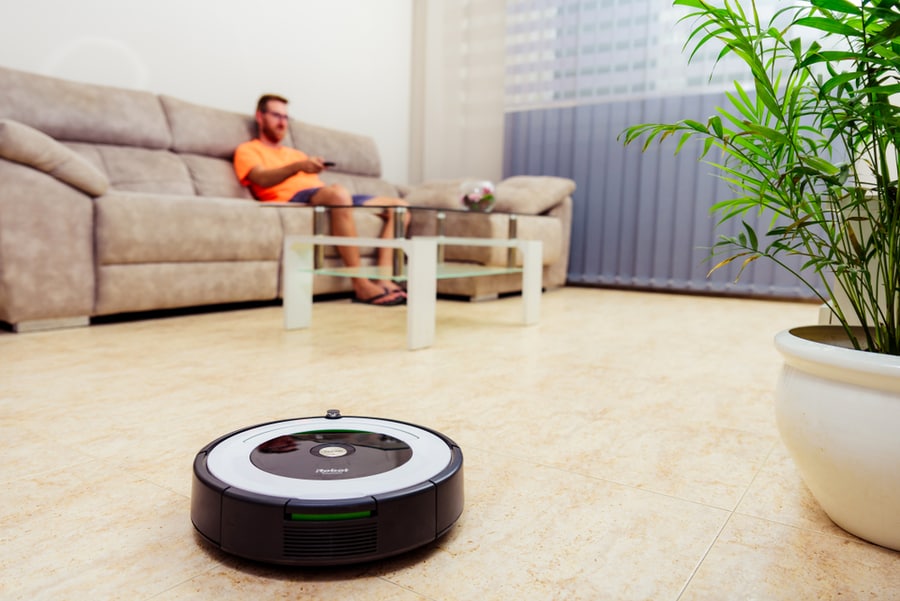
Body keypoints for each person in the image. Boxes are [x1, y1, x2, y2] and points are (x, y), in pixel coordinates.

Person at [234, 94, 410, 306]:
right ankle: (361, 284)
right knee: (338, 193)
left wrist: (308, 165)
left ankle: (383, 278)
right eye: (276, 115)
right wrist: (299, 167)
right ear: (260, 117)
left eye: (286, 117)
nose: (282, 122)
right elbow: (261, 178)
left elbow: (316, 186)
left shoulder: (295, 153)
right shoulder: (248, 150)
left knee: (400, 208)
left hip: (319, 193)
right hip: (291, 198)